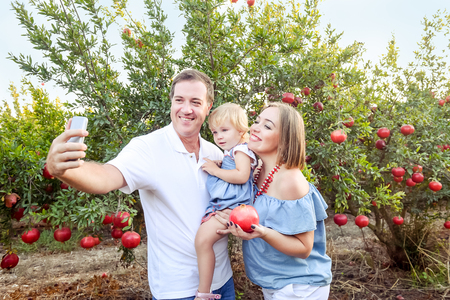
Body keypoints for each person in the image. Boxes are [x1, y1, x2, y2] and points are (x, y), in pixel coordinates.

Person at [45, 69, 235, 300]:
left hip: (223, 280)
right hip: (177, 290)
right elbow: (105, 177)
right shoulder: (148, 148)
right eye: (179, 100)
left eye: (196, 102)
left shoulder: (214, 152)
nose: (186, 109)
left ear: (208, 107)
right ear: (171, 103)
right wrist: (65, 169)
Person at [217, 102, 332, 300]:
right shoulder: (258, 170)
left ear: (285, 140)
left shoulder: (290, 180)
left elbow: (304, 248)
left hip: (299, 288)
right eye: (257, 121)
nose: (255, 127)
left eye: (267, 126)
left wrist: (261, 233)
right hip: (276, 283)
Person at [195, 103, 257, 299]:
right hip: (226, 205)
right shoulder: (235, 151)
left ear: (241, 130)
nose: (218, 136)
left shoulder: (241, 150)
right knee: (203, 242)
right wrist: (222, 163)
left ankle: (204, 293)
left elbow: (241, 176)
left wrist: (215, 170)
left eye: (224, 130)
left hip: (229, 206)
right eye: (214, 132)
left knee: (202, 242)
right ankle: (205, 290)